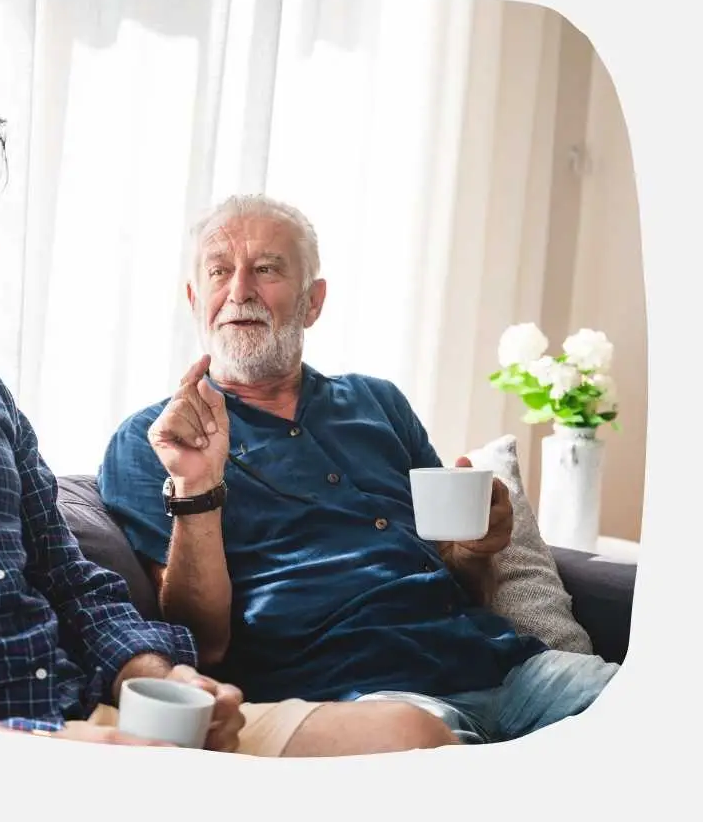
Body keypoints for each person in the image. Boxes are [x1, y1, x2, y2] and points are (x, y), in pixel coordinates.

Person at [0, 58, 454, 757]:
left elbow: (71, 582)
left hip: (101, 716)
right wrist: (16, 744)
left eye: (268, 270)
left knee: (414, 739)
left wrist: (163, 676)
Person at [99, 193, 620, 746]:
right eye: (220, 271)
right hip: (358, 698)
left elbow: (461, 577)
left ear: (313, 301)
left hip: (507, 670)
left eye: (267, 269)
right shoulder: (154, 440)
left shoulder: (377, 403)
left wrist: (474, 550)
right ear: (194, 297)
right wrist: (197, 488)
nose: (240, 290)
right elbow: (202, 641)